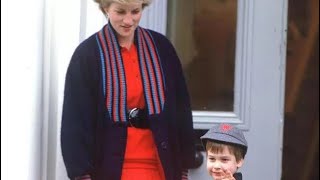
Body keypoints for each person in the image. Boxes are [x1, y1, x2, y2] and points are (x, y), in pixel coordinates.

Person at [60, 0, 196, 179]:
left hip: (159, 167)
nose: (128, 20)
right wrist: (81, 174)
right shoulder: (87, 55)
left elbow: (181, 111)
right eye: (120, 12)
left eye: (135, 11)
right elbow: (74, 121)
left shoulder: (162, 48)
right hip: (109, 169)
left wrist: (184, 167)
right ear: (105, 8)